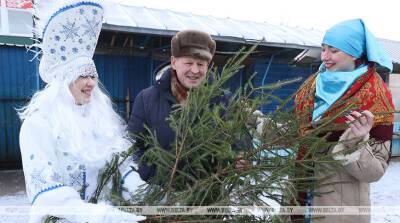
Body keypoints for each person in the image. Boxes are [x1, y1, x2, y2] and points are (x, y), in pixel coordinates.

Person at [19, 1, 145, 222]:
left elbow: (122, 170)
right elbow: (46, 189)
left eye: (92, 75)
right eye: (81, 76)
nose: (90, 83)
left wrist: (151, 197)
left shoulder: (101, 121)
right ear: (63, 80)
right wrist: (101, 216)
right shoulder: (38, 124)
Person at [294, 19, 395, 223]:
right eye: (323, 49)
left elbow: (375, 172)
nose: (324, 57)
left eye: (333, 50)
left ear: (355, 52)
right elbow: (294, 134)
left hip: (341, 211)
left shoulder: (375, 94)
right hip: (300, 198)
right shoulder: (312, 85)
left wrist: (353, 143)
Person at [128, 30, 247, 182]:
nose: (195, 70)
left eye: (201, 64)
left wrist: (241, 154)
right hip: (161, 194)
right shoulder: (146, 99)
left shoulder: (223, 100)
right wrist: (152, 180)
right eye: (189, 63)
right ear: (173, 62)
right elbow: (133, 147)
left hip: (209, 195)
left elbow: (241, 138)